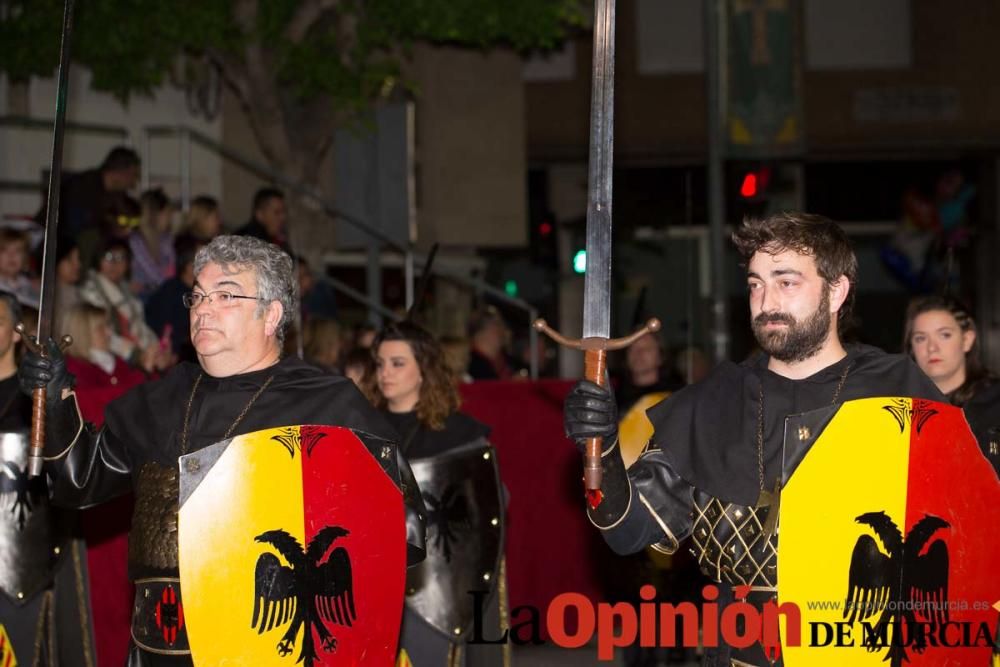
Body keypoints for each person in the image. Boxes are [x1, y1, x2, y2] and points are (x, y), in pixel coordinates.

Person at [18, 235, 427, 666]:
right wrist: (57, 396)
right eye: (197, 295)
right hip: (159, 648)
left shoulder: (328, 405)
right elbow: (79, 479)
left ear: (271, 315)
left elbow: (404, 530)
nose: (204, 308)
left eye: (226, 295)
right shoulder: (162, 401)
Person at [563, 212, 943, 666]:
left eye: (786, 282)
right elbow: (627, 530)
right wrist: (601, 445)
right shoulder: (711, 404)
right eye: (756, 284)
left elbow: (962, 526)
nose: (766, 301)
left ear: (837, 291)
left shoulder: (900, 391)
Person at [366, 321, 506, 667]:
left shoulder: (460, 436)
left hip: (437, 580)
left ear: (424, 371)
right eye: (380, 364)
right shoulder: (363, 429)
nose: (386, 373)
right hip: (377, 577)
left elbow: (490, 506)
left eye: (398, 363)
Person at [0, 292, 97, 666]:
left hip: (29, 552)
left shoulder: (39, 397)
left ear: (14, 333)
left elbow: (69, 461)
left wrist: (52, 400)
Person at [904, 294, 999, 473]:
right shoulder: (900, 409)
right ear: (912, 347)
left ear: (967, 340)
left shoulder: (994, 403)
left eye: (944, 335)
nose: (932, 348)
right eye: (920, 338)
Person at [79, 238, 170, 372]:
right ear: (98, 259)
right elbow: (105, 336)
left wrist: (158, 349)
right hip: (107, 360)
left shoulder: (125, 289)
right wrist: (138, 355)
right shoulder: (90, 290)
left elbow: (139, 327)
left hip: (136, 356)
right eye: (108, 256)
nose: (114, 263)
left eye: (121, 257)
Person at [128, 188, 176, 300]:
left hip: (160, 291)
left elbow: (172, 267)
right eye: (167, 213)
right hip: (143, 295)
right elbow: (153, 274)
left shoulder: (165, 239)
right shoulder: (136, 241)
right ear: (155, 215)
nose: (170, 218)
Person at [466, 306, 522, 380]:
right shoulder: (469, 364)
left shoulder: (510, 362)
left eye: (502, 325)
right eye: (496, 325)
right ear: (479, 333)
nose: (502, 331)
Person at [236, 187, 289, 252]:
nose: (283, 217)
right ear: (260, 214)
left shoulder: (281, 241)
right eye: (276, 212)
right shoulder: (244, 242)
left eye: (284, 212)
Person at [0, 227, 40, 309]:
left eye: (18, 250)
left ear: (25, 257)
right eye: (5, 250)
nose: (11, 256)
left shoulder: (31, 285)